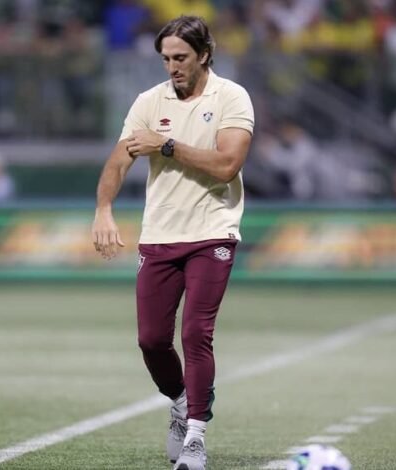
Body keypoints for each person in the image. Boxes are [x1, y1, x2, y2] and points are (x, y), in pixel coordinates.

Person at [91, 15, 254, 470]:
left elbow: (226, 165)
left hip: (212, 232)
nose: (172, 67)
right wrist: (103, 208)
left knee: (196, 332)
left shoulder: (231, 98)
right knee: (151, 340)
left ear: (204, 54)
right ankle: (181, 401)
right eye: (165, 59)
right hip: (160, 235)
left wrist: (166, 146)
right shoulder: (149, 101)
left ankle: (197, 437)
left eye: (180, 57)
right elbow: (117, 163)